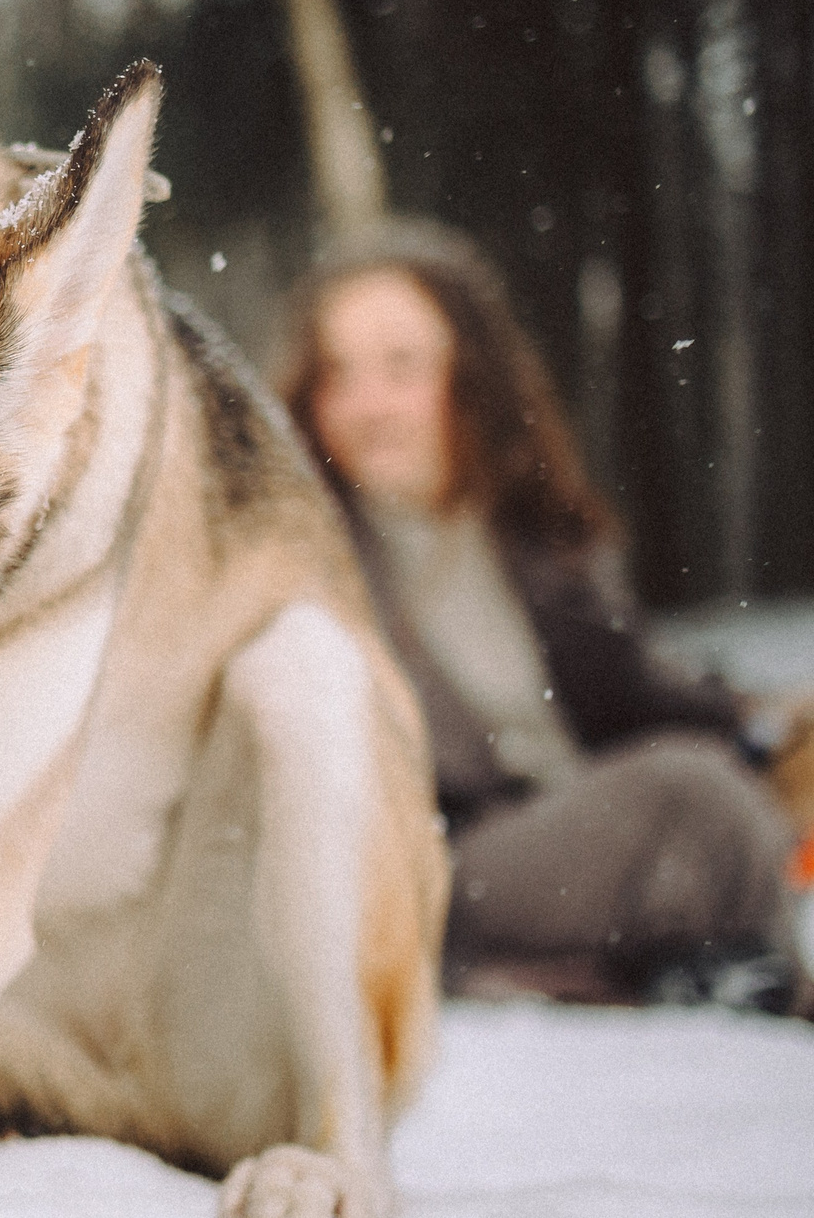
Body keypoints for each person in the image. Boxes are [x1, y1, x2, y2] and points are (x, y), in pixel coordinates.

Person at [279, 220, 809, 1014]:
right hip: (443, 869)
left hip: (588, 819)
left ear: (473, 376)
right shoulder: (301, 559)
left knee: (741, 781)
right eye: (339, 373)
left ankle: (705, 962)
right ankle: (752, 975)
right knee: (695, 794)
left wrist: (766, 727)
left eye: (400, 367)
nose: (367, 404)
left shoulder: (530, 533)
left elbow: (632, 686)